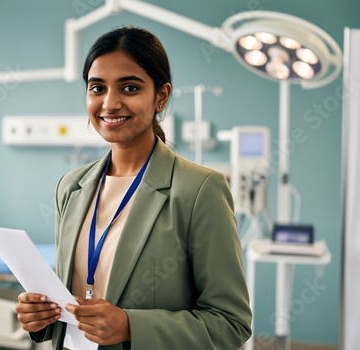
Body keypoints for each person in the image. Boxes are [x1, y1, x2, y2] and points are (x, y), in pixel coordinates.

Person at [16, 26, 252, 349]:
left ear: (161, 96)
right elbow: (71, 298)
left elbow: (230, 324)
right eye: (97, 88)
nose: (110, 104)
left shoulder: (199, 191)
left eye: (129, 87)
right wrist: (41, 319)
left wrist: (130, 326)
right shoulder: (71, 188)